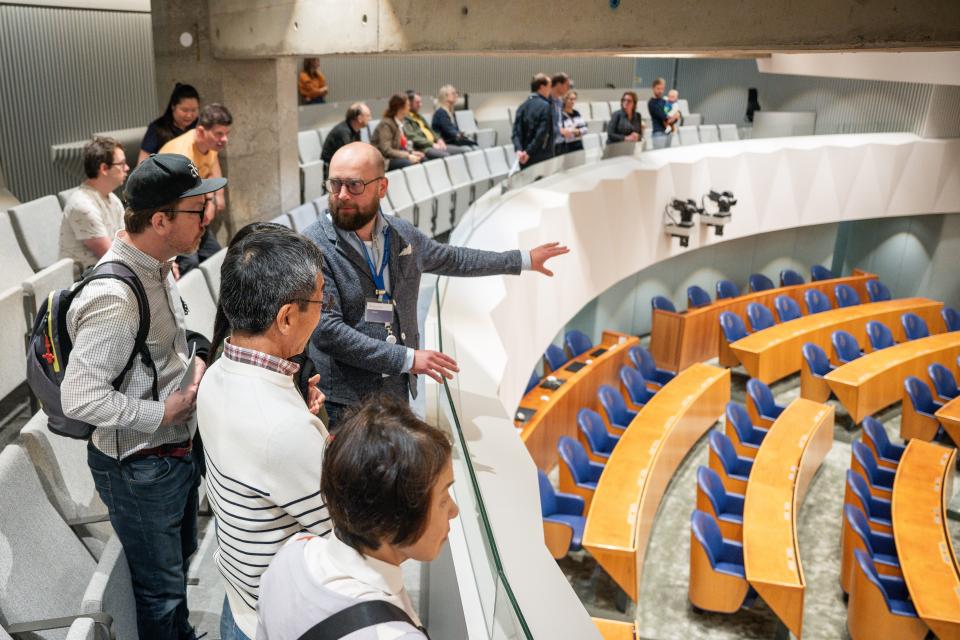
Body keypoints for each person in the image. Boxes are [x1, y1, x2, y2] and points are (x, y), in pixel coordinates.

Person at [61, 153, 225, 640]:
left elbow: (157, 354)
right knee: (161, 591)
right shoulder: (114, 296)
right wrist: (162, 411)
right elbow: (80, 396)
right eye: (198, 209)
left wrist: (191, 364)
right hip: (139, 466)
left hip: (170, 451)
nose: (208, 217)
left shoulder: (157, 266)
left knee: (176, 567)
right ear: (160, 220)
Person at [302, 142, 569, 427]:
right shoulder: (313, 245)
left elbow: (453, 258)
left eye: (354, 185)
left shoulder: (400, 234)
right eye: (335, 184)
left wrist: (522, 259)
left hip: (394, 389)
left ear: (382, 187)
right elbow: (328, 331)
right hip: (345, 401)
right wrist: (407, 358)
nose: (341, 195)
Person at [197, 228, 331, 640]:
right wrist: (315, 437)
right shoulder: (284, 430)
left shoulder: (216, 373)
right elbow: (345, 530)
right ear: (287, 316)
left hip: (239, 597)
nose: (322, 312)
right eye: (320, 300)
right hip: (276, 622)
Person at [257, 394, 456, 639]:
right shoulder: (393, 634)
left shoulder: (291, 553)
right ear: (392, 516)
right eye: (444, 499)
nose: (454, 511)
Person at [160, 103, 232, 272]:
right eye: (219, 134)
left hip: (194, 213)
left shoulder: (211, 146)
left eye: (227, 134)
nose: (225, 139)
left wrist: (212, 201)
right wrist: (204, 207)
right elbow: (174, 200)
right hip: (173, 215)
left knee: (219, 258)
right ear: (201, 131)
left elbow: (213, 175)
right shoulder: (181, 154)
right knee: (190, 264)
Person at [58, 136, 129, 273]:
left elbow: (127, 241)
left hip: (108, 272)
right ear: (104, 168)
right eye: (121, 164)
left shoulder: (112, 198)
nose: (127, 168)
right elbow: (112, 256)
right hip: (83, 284)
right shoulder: (82, 206)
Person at [138, 83, 200, 164]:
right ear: (173, 106)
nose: (189, 115)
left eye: (194, 110)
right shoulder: (157, 128)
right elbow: (142, 163)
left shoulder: (200, 127)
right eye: (185, 110)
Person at [403, 90, 464, 159]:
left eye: (421, 102)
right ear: (409, 103)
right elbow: (413, 138)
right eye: (417, 103)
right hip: (424, 148)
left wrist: (439, 140)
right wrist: (432, 144)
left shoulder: (419, 116)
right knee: (446, 156)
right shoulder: (405, 119)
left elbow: (431, 130)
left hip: (435, 144)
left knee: (463, 151)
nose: (420, 105)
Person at [511, 73, 555, 167]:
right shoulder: (545, 106)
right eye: (549, 86)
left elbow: (516, 132)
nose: (550, 90)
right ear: (542, 87)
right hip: (541, 156)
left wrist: (519, 150)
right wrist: (529, 152)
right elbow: (541, 133)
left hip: (523, 159)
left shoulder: (522, 106)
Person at [371, 94, 424, 171]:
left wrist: (411, 152)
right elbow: (386, 150)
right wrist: (408, 156)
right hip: (384, 160)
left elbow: (400, 147)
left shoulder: (399, 123)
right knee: (408, 163)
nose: (409, 108)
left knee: (422, 158)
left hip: (393, 157)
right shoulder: (386, 124)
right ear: (400, 108)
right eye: (408, 105)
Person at [321, 102, 371, 180]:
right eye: (368, 116)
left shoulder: (356, 130)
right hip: (332, 170)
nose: (370, 118)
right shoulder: (342, 132)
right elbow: (348, 157)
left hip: (343, 167)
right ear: (359, 118)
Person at [648, 78, 680, 149]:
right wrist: (675, 116)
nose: (660, 91)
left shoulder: (664, 101)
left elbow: (676, 115)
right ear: (653, 88)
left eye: (662, 89)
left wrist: (676, 115)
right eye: (658, 88)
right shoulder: (652, 103)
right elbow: (665, 117)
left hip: (668, 133)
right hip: (658, 133)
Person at [550, 73, 572, 154]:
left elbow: (559, 122)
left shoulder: (560, 101)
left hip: (561, 143)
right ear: (559, 85)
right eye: (567, 86)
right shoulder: (545, 101)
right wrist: (560, 131)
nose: (568, 89)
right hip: (549, 145)